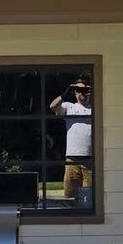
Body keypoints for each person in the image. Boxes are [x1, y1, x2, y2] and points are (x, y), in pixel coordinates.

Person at [49, 77, 95, 208]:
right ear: (74, 93)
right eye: (78, 90)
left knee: (88, 198)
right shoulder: (69, 107)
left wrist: (93, 91)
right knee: (70, 197)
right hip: (72, 159)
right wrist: (65, 93)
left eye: (85, 90)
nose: (82, 93)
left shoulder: (95, 109)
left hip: (90, 159)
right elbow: (52, 106)